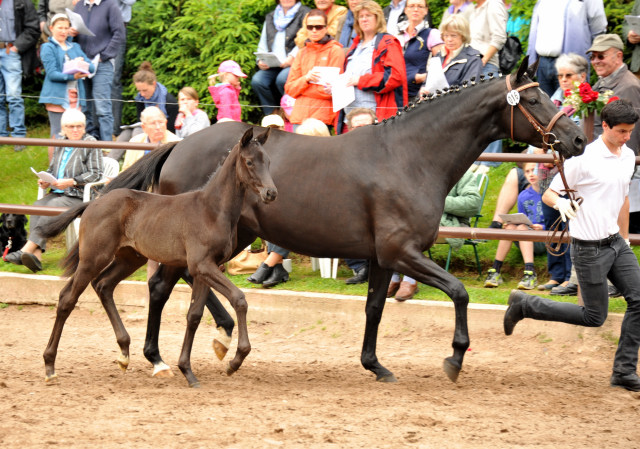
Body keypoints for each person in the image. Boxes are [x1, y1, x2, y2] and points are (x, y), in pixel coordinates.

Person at [504, 99, 640, 392]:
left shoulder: (627, 156)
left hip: (616, 242)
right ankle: (526, 304)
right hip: (588, 247)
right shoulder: (583, 160)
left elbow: (623, 198)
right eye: (622, 131)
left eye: (630, 131)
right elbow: (548, 194)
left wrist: (625, 238)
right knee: (594, 317)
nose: (627, 137)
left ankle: (624, 371)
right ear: (605, 126)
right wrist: (562, 201)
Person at [4, 109, 103, 272]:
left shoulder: (91, 143)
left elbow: (95, 173)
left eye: (79, 126)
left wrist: (72, 182)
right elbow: (52, 169)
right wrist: (45, 180)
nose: (75, 130)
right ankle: (36, 257)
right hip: (59, 192)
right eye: (71, 127)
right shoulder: (61, 143)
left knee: (52, 206)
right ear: (63, 129)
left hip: (80, 195)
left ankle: (25, 250)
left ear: (84, 127)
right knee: (37, 206)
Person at [389, 168, 482, 300]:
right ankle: (393, 277)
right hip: (419, 220)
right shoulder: (421, 170)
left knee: (412, 227)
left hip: (450, 223)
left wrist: (435, 201)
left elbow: (473, 203)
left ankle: (410, 279)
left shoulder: (462, 172)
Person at [538, 53, 588, 295]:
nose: (564, 80)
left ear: (582, 76)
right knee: (552, 222)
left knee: (570, 222)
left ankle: (570, 277)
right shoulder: (551, 100)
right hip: (548, 168)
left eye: (569, 75)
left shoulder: (587, 102)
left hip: (570, 170)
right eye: (560, 76)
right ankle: (556, 274)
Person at [336, 0, 408, 135]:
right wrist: (335, 88)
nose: (364, 19)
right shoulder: (354, 46)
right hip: (350, 119)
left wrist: (361, 80)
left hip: (376, 117)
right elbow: (347, 79)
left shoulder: (388, 42)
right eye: (361, 16)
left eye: (368, 15)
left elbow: (395, 76)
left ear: (378, 18)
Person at [39, 13, 95, 160]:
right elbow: (52, 74)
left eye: (66, 28)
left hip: (76, 96)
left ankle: (73, 165)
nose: (63, 31)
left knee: (76, 132)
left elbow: (92, 67)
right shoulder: (47, 47)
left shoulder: (75, 46)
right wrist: (72, 75)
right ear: (51, 28)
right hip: (57, 97)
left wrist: (83, 64)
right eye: (60, 28)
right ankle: (54, 167)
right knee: (58, 133)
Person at [484, 162, 546, 290]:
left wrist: (542, 227)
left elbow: (557, 222)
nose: (531, 174)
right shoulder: (523, 195)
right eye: (527, 171)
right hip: (526, 237)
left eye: (534, 170)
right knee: (510, 227)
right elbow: (522, 217)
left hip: (545, 239)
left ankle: (530, 273)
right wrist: (513, 222)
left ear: (542, 170)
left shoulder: (548, 193)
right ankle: (495, 270)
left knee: (522, 228)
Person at [526, 0, 606, 97]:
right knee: (545, 108)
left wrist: (596, 56)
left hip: (571, 64)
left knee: (573, 105)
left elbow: (598, 28)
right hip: (542, 62)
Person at [71, 0, 125, 143]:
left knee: (102, 109)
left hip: (102, 64)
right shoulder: (79, 6)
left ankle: (107, 146)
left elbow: (119, 33)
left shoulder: (110, 5)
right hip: (82, 63)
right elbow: (74, 36)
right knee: (85, 106)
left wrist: (104, 56)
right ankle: (88, 143)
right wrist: (72, 33)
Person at [285, 9, 345, 129]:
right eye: (310, 27)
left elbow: (332, 91)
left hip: (322, 118)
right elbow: (289, 89)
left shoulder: (335, 51)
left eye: (318, 27)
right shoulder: (301, 52)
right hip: (299, 116)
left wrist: (302, 90)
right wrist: (306, 79)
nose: (314, 30)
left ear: (326, 28)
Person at [108, 61, 179, 160]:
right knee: (125, 134)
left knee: (137, 133)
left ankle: (137, 164)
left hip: (161, 133)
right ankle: (109, 164)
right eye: (139, 91)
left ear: (154, 84)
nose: (141, 94)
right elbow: (139, 119)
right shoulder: (140, 98)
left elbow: (170, 128)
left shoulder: (169, 101)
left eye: (144, 90)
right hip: (145, 127)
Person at [468, 0, 507, 174]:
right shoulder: (475, 8)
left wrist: (482, 61)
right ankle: (479, 157)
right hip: (473, 65)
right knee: (477, 113)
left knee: (490, 112)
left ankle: (491, 160)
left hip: (486, 64)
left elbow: (499, 38)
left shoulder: (493, 4)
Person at [252, 0, 310, 115]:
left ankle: (288, 114)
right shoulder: (271, 16)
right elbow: (263, 42)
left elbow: (305, 39)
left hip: (294, 61)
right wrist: (260, 60)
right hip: (273, 63)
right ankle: (273, 115)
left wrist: (293, 57)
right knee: (258, 81)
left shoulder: (305, 13)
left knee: (283, 79)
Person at [340, 107, 376, 284]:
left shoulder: (386, 149)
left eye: (366, 126)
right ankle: (360, 268)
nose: (361, 131)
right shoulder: (341, 152)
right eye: (357, 127)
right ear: (350, 129)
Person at [589, 34, 640, 153]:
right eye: (592, 57)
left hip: (613, 162)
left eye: (601, 56)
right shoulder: (602, 81)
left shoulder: (629, 86)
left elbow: (631, 135)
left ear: (618, 56)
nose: (595, 61)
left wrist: (625, 167)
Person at [0, 0, 39, 152]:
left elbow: (33, 27)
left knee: (14, 97)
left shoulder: (20, 2)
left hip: (11, 52)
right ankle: (1, 136)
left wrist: (17, 47)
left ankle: (19, 137)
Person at [397, 0, 443, 99]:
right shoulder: (398, 35)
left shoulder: (432, 34)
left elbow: (441, 65)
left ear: (426, 11)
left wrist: (423, 77)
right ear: (405, 10)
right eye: (411, 6)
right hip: (397, 93)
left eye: (420, 6)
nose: (416, 9)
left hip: (418, 95)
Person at [424, 14, 481, 91]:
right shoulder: (438, 55)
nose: (449, 39)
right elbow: (427, 82)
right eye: (446, 35)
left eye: (453, 35)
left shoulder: (473, 58)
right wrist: (423, 90)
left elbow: (469, 91)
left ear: (463, 36)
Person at [121, 106, 180, 172]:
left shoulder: (175, 142)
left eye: (161, 122)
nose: (158, 127)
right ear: (144, 127)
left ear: (166, 123)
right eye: (153, 123)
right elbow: (126, 170)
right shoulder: (135, 142)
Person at [112, 0, 137, 137]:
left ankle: (114, 130)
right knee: (93, 77)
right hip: (96, 28)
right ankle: (94, 129)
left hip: (117, 28)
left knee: (113, 78)